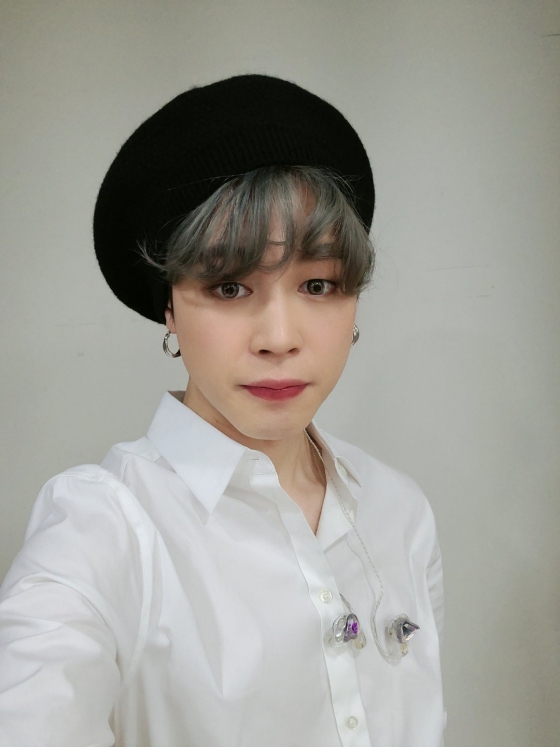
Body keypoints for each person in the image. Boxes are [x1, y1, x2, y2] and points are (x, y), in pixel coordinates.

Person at [0, 74, 445, 747]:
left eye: (318, 284)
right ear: (169, 308)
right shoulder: (103, 530)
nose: (279, 337)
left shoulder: (398, 510)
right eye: (230, 287)